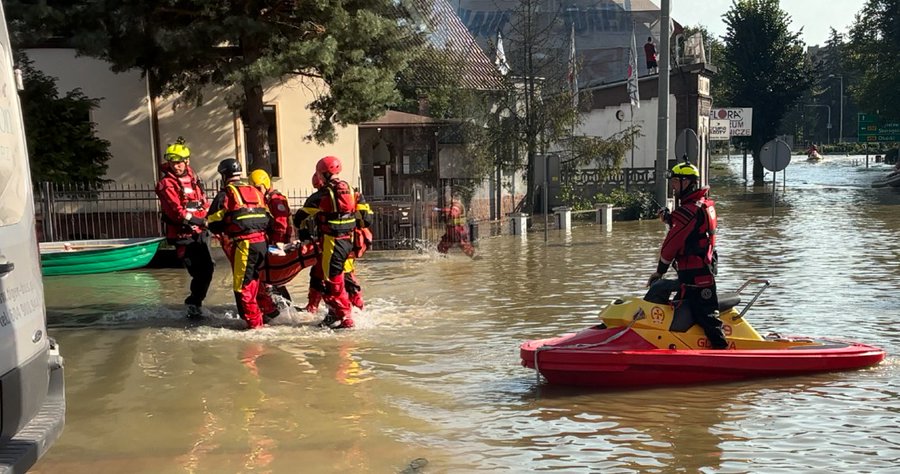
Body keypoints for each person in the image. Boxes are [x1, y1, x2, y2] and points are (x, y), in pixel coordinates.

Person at [646, 161, 728, 350]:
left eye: (675, 182)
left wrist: (659, 272)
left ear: (687, 182)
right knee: (681, 310)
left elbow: (671, 245)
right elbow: (687, 231)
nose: (673, 187)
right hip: (694, 273)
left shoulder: (689, 211)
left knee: (706, 316)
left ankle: (722, 352)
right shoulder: (698, 206)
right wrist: (669, 219)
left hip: (697, 275)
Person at [207, 158, 277, 329]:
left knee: (242, 287)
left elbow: (213, 222)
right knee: (255, 280)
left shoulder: (226, 194)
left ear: (224, 175)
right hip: (262, 242)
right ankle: (271, 314)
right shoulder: (255, 191)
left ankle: (254, 326)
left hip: (245, 244)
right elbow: (269, 219)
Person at [292, 156, 359, 329]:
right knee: (332, 276)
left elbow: (299, 218)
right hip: (349, 241)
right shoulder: (353, 191)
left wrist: (304, 233)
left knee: (333, 281)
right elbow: (366, 219)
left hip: (332, 242)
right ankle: (339, 312)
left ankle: (345, 318)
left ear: (322, 174)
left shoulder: (321, 195)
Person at [154, 137, 215, 319]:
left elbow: (203, 202)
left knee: (208, 269)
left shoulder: (194, 179)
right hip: (182, 234)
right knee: (198, 271)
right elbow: (177, 210)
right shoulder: (166, 184)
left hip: (200, 232)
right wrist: (198, 221)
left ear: (186, 161)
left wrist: (208, 219)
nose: (176, 166)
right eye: (172, 162)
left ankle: (196, 303)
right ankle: (193, 305)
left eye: (179, 162)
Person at [249, 169, 294, 304]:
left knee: (273, 279)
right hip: (272, 243)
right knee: (271, 279)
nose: (256, 191)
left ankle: (282, 306)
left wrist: (278, 243)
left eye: (258, 188)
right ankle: (278, 305)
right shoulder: (266, 199)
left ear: (266, 184)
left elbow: (282, 223)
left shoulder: (275, 200)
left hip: (278, 244)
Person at [437, 192, 475, 258]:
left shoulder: (457, 205)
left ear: (453, 198)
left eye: (448, 197)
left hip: (458, 231)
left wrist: (442, 210)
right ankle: (444, 260)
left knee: (464, 245)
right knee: (442, 246)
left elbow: (453, 213)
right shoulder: (453, 205)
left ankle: (474, 258)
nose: (447, 199)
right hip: (452, 231)